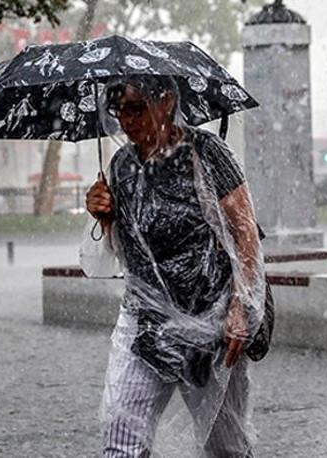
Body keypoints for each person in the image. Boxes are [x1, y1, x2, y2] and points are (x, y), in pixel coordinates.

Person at [84, 75, 266, 457]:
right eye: (118, 111)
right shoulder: (121, 166)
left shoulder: (205, 153)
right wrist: (104, 216)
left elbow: (245, 230)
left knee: (227, 445)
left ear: (165, 101)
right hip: (145, 324)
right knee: (121, 438)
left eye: (135, 108)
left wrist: (241, 307)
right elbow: (127, 250)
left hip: (209, 324)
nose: (127, 121)